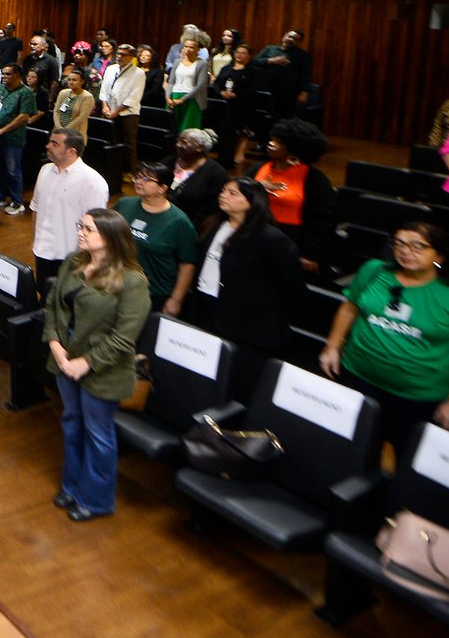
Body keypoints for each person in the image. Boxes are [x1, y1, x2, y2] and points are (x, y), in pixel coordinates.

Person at [42, 208, 151, 522]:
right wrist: (55, 345)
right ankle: (71, 486)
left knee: (98, 434)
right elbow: (52, 307)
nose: (81, 232)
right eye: (81, 226)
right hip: (65, 356)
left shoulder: (132, 281)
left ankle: (96, 499)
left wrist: (86, 363)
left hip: (103, 366)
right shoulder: (73, 262)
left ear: (111, 238)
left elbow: (124, 338)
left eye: (88, 229)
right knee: (72, 422)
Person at [321, 222, 449, 452]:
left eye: (418, 246)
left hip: (417, 395)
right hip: (358, 375)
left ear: (439, 255)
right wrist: (333, 346)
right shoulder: (374, 271)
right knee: (352, 442)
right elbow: (349, 308)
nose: (406, 251)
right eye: (399, 244)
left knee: (407, 452)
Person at [166, 178, 304, 399]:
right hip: (207, 310)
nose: (223, 196)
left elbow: (293, 289)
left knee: (236, 383)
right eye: (223, 191)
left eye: (233, 193)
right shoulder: (215, 225)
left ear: (252, 202)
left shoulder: (272, 239)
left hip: (247, 325)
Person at [249, 118, 336, 275]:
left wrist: (310, 253)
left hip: (290, 243)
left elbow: (323, 221)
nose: (271, 144)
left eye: (279, 142)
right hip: (252, 234)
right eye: (272, 139)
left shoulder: (315, 180)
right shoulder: (257, 169)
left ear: (295, 149)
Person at [116, 163, 198, 314]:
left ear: (162, 188)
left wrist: (176, 299)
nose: (139, 182)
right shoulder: (124, 205)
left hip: (155, 294)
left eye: (147, 179)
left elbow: (187, 265)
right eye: (138, 177)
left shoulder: (179, 222)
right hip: (119, 285)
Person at [31, 129, 110, 286]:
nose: (48, 146)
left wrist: (86, 260)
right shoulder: (45, 170)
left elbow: (95, 227)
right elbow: (36, 207)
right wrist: (35, 240)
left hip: (71, 258)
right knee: (45, 292)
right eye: (49, 141)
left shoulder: (93, 182)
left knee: (67, 298)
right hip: (42, 251)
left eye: (55, 144)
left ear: (71, 151)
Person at [0, 65, 37, 217]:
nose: (4, 77)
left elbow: (23, 116)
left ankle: (17, 201)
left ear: (17, 75)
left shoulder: (25, 92)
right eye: (3, 74)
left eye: (8, 74)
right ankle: (0, 196)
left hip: (12, 139)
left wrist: (2, 130)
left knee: (13, 171)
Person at [165, 127, 227, 233]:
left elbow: (211, 210)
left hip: (189, 224)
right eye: (178, 141)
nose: (178, 145)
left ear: (199, 148)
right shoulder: (169, 161)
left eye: (184, 142)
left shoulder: (216, 174)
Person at [212, 42, 258, 168]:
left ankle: (232, 158)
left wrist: (236, 94)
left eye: (243, 53)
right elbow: (216, 84)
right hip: (224, 106)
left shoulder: (252, 71)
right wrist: (221, 92)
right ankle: (222, 158)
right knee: (223, 133)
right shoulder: (226, 68)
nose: (239, 55)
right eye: (237, 52)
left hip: (241, 106)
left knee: (234, 133)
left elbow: (253, 89)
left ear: (249, 56)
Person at [100, 43, 146, 170]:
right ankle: (113, 169)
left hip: (128, 113)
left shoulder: (138, 73)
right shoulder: (111, 69)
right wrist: (104, 106)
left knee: (128, 144)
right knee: (112, 142)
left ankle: (130, 172)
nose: (119, 56)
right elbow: (104, 90)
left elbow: (134, 97)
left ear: (132, 57)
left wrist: (116, 111)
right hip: (109, 110)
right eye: (118, 54)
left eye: (123, 55)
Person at [255, 28, 313, 115]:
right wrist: (271, 60)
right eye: (290, 36)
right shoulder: (270, 49)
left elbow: (306, 75)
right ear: (284, 36)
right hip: (266, 89)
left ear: (298, 42)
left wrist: (304, 92)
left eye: (296, 39)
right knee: (263, 114)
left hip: (288, 93)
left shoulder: (303, 55)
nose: (291, 39)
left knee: (283, 117)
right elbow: (255, 62)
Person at [166, 37, 209, 133]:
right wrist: (167, 97)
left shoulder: (202, 63)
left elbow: (200, 85)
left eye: (191, 47)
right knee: (171, 129)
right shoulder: (177, 62)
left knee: (187, 131)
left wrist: (182, 99)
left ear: (198, 49)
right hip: (174, 97)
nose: (188, 49)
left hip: (192, 99)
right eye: (185, 46)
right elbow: (171, 81)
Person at [54, 67, 93, 143]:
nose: (71, 82)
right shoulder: (63, 92)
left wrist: (65, 130)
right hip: (58, 131)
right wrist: (58, 126)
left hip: (75, 134)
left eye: (74, 80)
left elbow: (82, 117)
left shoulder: (87, 97)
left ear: (82, 82)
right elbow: (56, 111)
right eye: (69, 80)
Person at [22, 34, 61, 106]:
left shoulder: (51, 60)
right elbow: (23, 77)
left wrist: (50, 99)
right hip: (27, 95)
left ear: (43, 46)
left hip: (42, 96)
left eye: (35, 44)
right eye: (30, 44)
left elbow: (54, 82)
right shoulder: (27, 59)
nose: (32, 46)